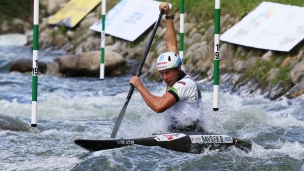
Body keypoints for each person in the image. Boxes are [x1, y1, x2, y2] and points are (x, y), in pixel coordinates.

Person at [129, 2, 204, 133]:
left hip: (191, 131)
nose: (165, 77)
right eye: (162, 73)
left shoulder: (184, 84)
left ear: (178, 68)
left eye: (168, 72)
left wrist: (139, 86)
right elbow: (171, 44)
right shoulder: (177, 71)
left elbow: (159, 107)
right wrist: (169, 16)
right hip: (176, 130)